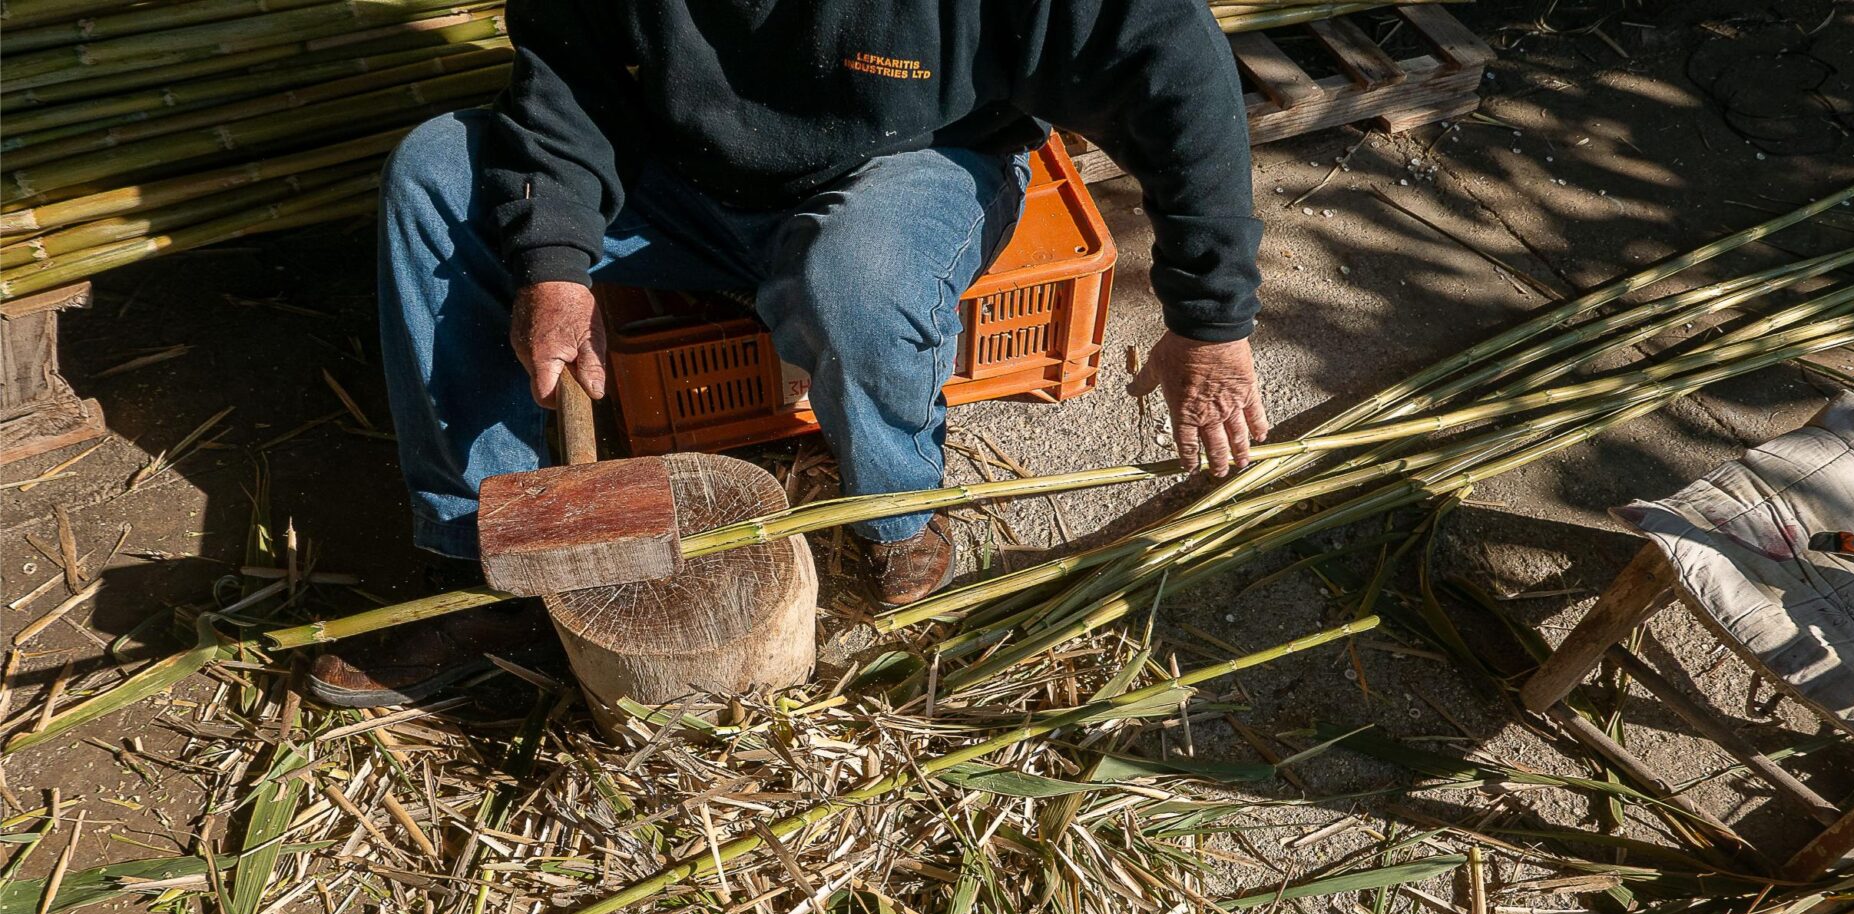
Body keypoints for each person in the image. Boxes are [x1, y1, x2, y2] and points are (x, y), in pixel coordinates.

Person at [310, 0, 1267, 709]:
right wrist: (553, 258)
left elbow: (1172, 66)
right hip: (680, 169)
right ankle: (484, 575)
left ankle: (897, 529)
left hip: (911, 161)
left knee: (854, 280)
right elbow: (565, 73)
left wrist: (1211, 321)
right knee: (435, 175)